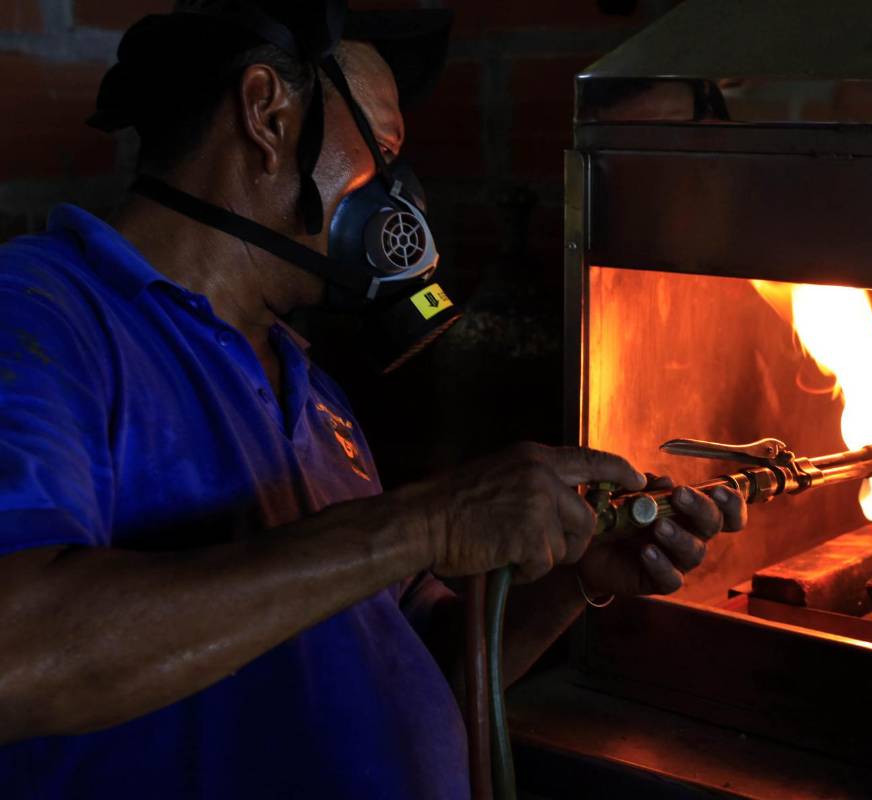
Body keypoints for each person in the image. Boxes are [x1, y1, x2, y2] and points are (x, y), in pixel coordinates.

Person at [0, 2, 746, 797]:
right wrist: (424, 523)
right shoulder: (43, 314)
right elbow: (19, 659)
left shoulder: (306, 381)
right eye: (383, 150)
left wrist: (573, 577)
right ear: (266, 113)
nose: (403, 193)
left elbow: (423, 661)